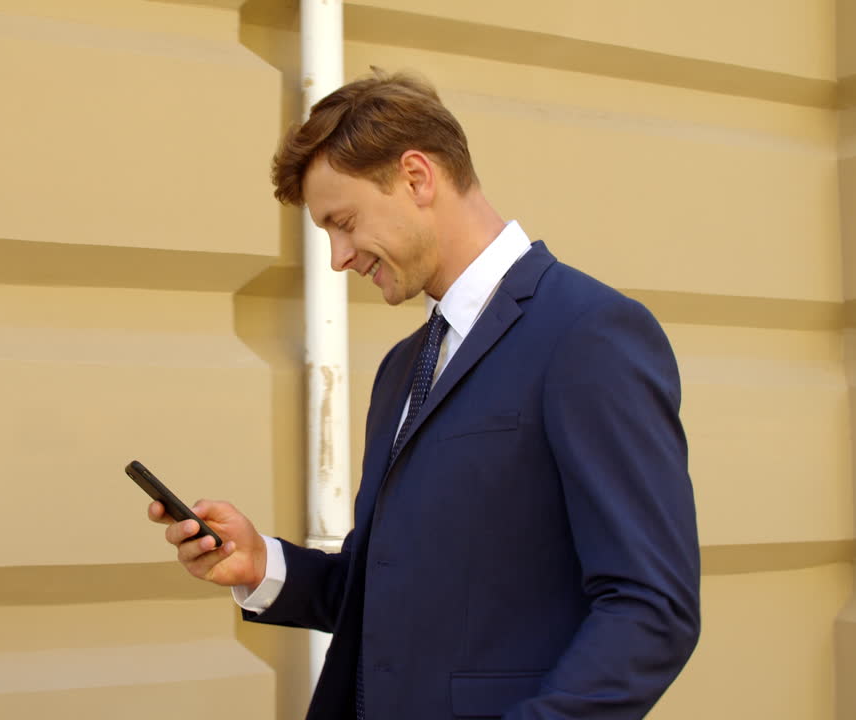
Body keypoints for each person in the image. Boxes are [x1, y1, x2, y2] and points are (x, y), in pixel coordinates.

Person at [149, 70, 700, 720]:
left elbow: (651, 608)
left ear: (416, 176)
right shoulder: (399, 369)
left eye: (343, 222)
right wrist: (259, 564)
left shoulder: (589, 334)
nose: (338, 257)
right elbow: (384, 590)